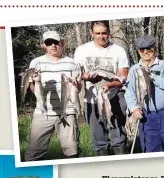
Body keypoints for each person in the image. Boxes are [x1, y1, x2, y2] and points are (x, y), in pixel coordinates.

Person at [74, 20, 129, 156]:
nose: (101, 36)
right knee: (98, 139)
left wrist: (110, 84)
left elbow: (123, 77)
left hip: (115, 97)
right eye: (97, 33)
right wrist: (86, 76)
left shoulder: (118, 50)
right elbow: (77, 74)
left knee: (118, 136)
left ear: (109, 33)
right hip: (91, 100)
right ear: (91, 33)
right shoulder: (81, 50)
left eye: (104, 33)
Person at [24, 31, 81, 161]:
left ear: (62, 43)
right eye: (49, 43)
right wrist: (34, 81)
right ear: (44, 45)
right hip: (43, 112)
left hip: (68, 111)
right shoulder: (36, 63)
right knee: (33, 153)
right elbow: (33, 89)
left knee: (72, 151)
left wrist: (75, 84)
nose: (53, 46)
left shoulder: (72, 63)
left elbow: (78, 88)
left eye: (56, 42)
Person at [124, 35, 164, 153]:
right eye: (142, 49)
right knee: (152, 150)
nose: (145, 52)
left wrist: (151, 75)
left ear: (154, 48)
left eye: (148, 48)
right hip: (147, 116)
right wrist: (134, 109)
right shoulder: (134, 69)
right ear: (138, 51)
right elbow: (129, 93)